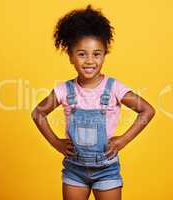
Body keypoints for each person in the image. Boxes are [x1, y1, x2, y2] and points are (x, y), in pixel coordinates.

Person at [31, 4, 156, 200]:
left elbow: (147, 110)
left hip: (107, 170)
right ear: (71, 57)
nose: (89, 60)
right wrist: (56, 143)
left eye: (96, 54)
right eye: (82, 54)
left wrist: (123, 140)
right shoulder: (64, 90)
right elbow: (38, 113)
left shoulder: (114, 88)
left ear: (105, 54)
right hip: (74, 171)